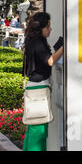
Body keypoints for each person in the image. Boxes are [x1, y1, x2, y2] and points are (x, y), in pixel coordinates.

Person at [22, 12, 63, 151]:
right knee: (39, 131)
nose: (50, 29)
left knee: (32, 128)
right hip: (38, 90)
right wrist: (64, 47)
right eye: (48, 26)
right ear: (41, 28)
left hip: (35, 88)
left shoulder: (33, 41)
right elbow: (50, 61)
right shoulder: (38, 43)